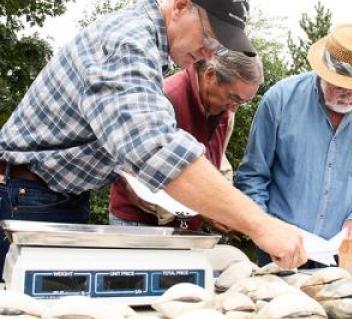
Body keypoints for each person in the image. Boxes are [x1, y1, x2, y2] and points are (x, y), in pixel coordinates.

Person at [0, 0, 307, 278]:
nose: (209, 54)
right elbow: (155, 149)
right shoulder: (127, 44)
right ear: (180, 6)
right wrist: (260, 224)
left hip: (58, 193)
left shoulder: (148, 47)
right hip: (26, 195)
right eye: (209, 37)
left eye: (218, 46)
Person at [234, 24, 352, 267]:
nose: (347, 94)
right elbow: (253, 175)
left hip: (349, 251)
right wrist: (264, 228)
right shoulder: (281, 100)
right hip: (282, 248)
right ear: (322, 72)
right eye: (339, 84)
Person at [109, 51, 263, 230]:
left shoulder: (225, 112)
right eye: (233, 98)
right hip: (138, 223)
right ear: (210, 75)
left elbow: (218, 162)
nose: (234, 108)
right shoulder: (164, 100)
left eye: (242, 102)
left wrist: (226, 208)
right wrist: (206, 209)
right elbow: (138, 180)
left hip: (185, 225)